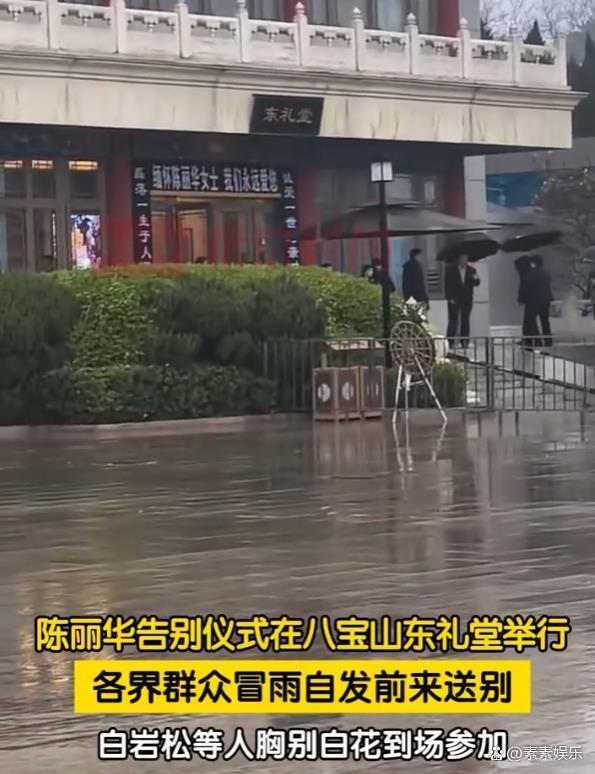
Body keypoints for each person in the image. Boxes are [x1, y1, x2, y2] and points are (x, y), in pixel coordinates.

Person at [445, 253, 480, 348]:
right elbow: (447, 285)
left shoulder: (471, 270)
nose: (464, 261)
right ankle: (450, 342)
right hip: (454, 298)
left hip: (467, 298)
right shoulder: (451, 270)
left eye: (466, 259)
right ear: (459, 259)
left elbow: (477, 283)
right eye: (462, 259)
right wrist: (449, 297)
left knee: (465, 319)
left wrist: (475, 278)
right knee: (453, 319)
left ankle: (464, 341)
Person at [524, 254, 553, 348]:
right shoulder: (546, 272)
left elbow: (529, 286)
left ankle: (537, 340)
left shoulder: (532, 273)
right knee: (545, 321)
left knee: (531, 320)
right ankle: (548, 341)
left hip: (535, 301)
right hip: (546, 300)